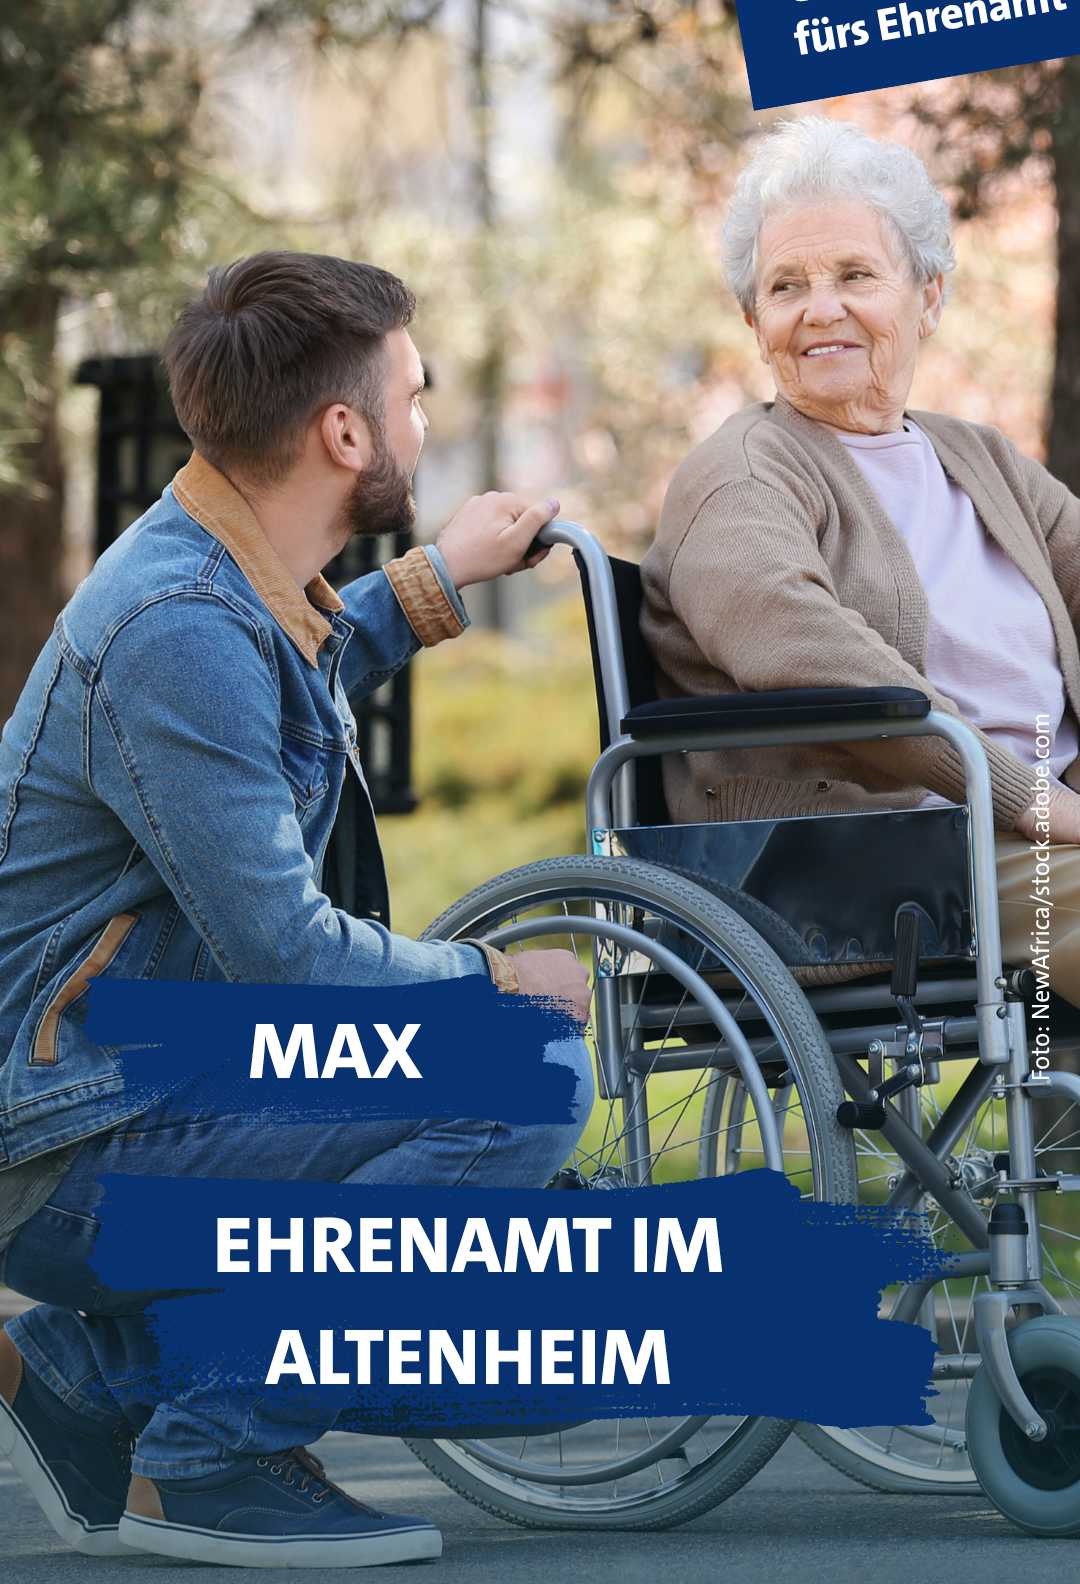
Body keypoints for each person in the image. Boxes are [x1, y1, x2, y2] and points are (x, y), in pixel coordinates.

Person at [0, 251, 593, 1568]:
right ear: (344, 432)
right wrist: (492, 981)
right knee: (526, 1081)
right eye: (415, 395)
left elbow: (296, 666)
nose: (425, 421)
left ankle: (102, 1371)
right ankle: (210, 1447)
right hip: (63, 1148)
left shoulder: (210, 576)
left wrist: (436, 581)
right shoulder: (175, 626)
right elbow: (286, 957)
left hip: (108, 1097)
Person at [641, 114, 1080, 1009]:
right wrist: (1034, 803)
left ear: (928, 297)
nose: (820, 309)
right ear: (755, 321)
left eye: (855, 275)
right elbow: (804, 653)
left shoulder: (980, 459)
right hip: (876, 855)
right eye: (786, 285)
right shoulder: (739, 479)